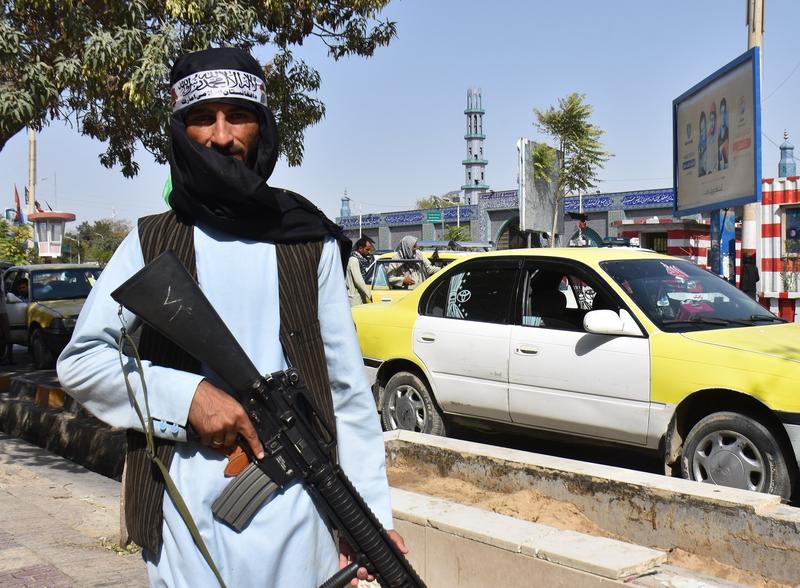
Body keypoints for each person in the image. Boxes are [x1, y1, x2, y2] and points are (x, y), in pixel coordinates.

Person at [57, 47, 405, 588]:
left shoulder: (306, 241)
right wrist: (189, 397)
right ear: (181, 130)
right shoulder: (151, 241)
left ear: (261, 127)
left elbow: (346, 395)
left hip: (300, 517)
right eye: (203, 118)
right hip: (182, 517)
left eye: (238, 115)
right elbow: (82, 363)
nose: (222, 136)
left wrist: (372, 523)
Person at [346, 236, 375, 306]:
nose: (369, 252)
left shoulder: (362, 261)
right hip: (355, 298)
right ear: (360, 249)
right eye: (367, 249)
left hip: (360, 297)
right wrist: (370, 295)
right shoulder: (354, 260)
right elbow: (358, 280)